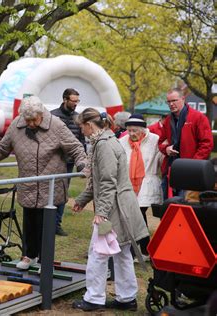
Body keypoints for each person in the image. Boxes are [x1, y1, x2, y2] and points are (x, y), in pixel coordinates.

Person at [0, 96, 86, 270]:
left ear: (41, 114)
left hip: (50, 185)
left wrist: (82, 165)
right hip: (28, 184)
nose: (31, 123)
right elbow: (3, 147)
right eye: (28, 120)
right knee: (29, 222)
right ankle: (29, 256)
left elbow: (75, 147)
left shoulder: (56, 125)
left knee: (45, 224)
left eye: (34, 119)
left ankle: (44, 260)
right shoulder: (18, 124)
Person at [72, 108, 148, 312]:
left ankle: (94, 298)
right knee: (122, 253)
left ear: (89, 125)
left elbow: (107, 182)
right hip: (121, 206)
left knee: (97, 252)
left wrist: (101, 212)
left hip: (114, 210)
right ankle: (127, 298)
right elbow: (99, 180)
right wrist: (82, 199)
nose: (81, 131)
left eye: (81, 126)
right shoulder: (107, 141)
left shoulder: (103, 145)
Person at [119, 114, 163, 262]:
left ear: (143, 130)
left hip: (147, 182)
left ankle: (137, 251)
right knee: (136, 217)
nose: (131, 134)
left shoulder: (155, 140)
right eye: (129, 130)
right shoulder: (122, 141)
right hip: (128, 183)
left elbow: (162, 159)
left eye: (134, 131)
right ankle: (144, 250)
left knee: (137, 214)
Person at [158, 88, 213, 199]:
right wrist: (167, 149)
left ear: (183, 99)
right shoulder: (168, 120)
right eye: (169, 102)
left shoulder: (198, 117)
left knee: (186, 206)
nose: (171, 104)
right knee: (168, 207)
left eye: (174, 100)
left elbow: (207, 144)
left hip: (191, 172)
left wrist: (192, 165)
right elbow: (160, 142)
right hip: (171, 170)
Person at [50, 88, 86, 236]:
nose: (76, 104)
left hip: (69, 162)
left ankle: (57, 224)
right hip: (53, 161)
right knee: (51, 191)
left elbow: (81, 140)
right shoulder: (52, 116)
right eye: (73, 101)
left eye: (78, 101)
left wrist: (82, 161)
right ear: (65, 99)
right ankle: (48, 222)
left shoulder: (78, 118)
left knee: (63, 193)